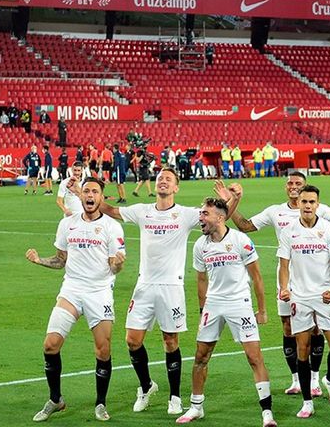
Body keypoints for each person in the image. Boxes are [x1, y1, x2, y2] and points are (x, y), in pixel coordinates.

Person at [99, 170, 232, 417]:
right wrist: (89, 195)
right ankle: (147, 386)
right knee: (132, 340)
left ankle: (174, 396)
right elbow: (112, 211)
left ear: (176, 188)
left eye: (168, 179)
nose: (162, 180)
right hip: (145, 285)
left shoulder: (186, 214)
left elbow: (218, 220)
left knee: (171, 341)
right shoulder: (141, 211)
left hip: (172, 286)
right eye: (160, 178)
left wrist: (228, 200)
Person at [228, 173, 330, 397]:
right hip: (287, 282)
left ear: (306, 189)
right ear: (286, 186)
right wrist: (232, 203)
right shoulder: (275, 211)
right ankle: (296, 379)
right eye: (290, 183)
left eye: (298, 183)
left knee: (315, 329)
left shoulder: (319, 209)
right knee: (288, 328)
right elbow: (245, 226)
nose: (294, 186)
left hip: (316, 282)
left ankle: (315, 379)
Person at [26, 177, 126, 422]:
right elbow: (61, 260)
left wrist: (117, 264)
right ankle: (55, 399)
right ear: (81, 196)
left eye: (95, 192)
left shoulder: (112, 227)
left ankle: (100, 403)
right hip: (71, 289)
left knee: (103, 350)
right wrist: (39, 260)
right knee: (50, 345)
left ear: (102, 197)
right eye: (86, 191)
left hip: (99, 292)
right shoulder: (68, 224)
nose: (90, 195)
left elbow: (116, 264)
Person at [176, 197, 277, 427]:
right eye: (200, 213)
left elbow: (257, 277)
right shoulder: (200, 245)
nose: (200, 218)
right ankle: (196, 407)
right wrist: (203, 309)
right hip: (213, 304)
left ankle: (267, 412)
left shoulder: (241, 240)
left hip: (239, 303)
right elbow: (201, 279)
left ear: (220, 218)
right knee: (201, 357)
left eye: (205, 214)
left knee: (254, 357)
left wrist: (261, 310)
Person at [276, 185, 330, 418]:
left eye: (312, 202)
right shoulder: (288, 231)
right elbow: (284, 265)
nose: (307, 206)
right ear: (298, 204)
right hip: (300, 297)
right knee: (303, 350)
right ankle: (307, 402)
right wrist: (285, 288)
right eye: (304, 202)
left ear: (317, 204)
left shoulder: (328, 229)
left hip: (325, 296)